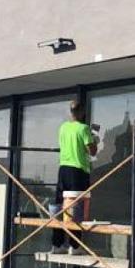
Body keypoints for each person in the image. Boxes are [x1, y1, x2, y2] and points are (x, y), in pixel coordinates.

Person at [52, 101, 98, 251]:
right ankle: (74, 246)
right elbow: (92, 151)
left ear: (70, 112)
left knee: (60, 207)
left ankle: (57, 244)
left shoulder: (63, 127)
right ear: (82, 112)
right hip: (78, 171)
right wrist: (94, 139)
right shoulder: (84, 128)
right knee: (76, 208)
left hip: (63, 169)